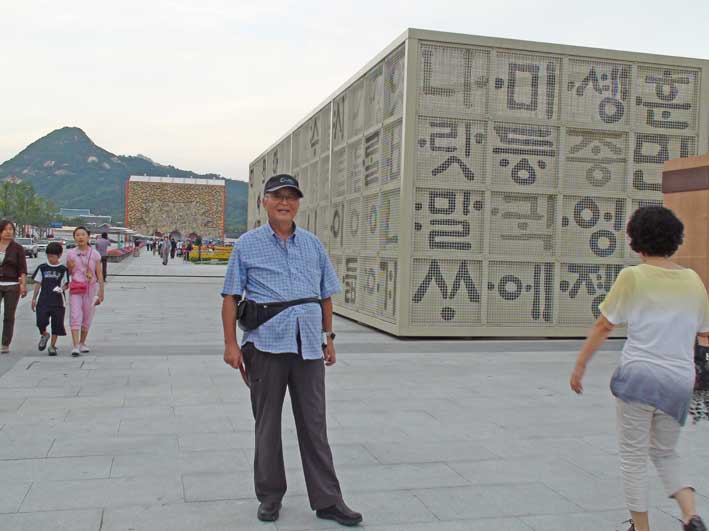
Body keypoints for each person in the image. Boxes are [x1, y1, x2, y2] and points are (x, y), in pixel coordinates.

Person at [221, 174, 362, 527]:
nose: (285, 202)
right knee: (267, 424)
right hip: (265, 345)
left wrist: (329, 337)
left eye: (291, 197)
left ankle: (328, 500)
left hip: (309, 347)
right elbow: (231, 297)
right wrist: (230, 344)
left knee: (315, 425)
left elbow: (325, 295)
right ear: (264, 202)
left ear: (298, 203)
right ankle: (270, 497)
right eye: (277, 196)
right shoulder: (247, 245)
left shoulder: (313, 245)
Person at [570, 206, 709, 531]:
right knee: (665, 452)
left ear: (636, 239)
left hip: (639, 378)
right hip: (678, 381)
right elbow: (704, 332)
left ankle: (641, 528)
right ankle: (691, 516)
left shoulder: (633, 276)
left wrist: (580, 365)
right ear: (675, 239)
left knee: (633, 457)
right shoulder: (693, 280)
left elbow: (605, 324)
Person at [66, 227, 105, 357]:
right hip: (76, 288)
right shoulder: (71, 254)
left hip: (90, 288)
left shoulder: (95, 254)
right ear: (74, 238)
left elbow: (99, 273)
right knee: (75, 314)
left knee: (87, 316)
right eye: (77, 235)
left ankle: (82, 342)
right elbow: (69, 272)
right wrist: (70, 267)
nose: (80, 237)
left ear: (88, 237)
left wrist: (101, 291)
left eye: (83, 234)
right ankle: (75, 345)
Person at [31, 242, 69, 356]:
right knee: (40, 321)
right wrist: (34, 298)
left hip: (58, 301)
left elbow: (66, 284)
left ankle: (52, 346)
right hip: (43, 300)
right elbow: (38, 283)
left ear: (59, 255)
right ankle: (44, 334)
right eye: (48, 256)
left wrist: (61, 289)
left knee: (57, 324)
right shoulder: (42, 268)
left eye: (53, 256)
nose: (50, 258)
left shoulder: (63, 269)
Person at [0, 220, 27, 353]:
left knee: (9, 316)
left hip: (12, 285)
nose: (8, 232)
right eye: (5, 229)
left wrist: (23, 285)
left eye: (11, 229)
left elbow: (22, 268)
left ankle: (5, 344)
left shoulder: (17, 248)